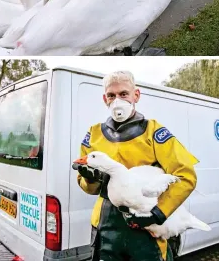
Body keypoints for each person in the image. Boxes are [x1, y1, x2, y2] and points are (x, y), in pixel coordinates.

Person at [75, 71, 199, 261]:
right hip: (106, 224)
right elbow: (88, 187)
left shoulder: (153, 131)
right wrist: (89, 179)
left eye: (123, 94)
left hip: (147, 226)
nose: (117, 101)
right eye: (111, 95)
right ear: (104, 99)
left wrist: (158, 214)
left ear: (136, 95)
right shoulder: (94, 134)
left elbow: (186, 175)